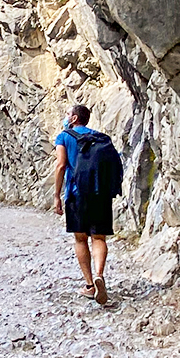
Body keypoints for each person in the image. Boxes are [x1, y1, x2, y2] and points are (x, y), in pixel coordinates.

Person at [54, 102, 111, 305]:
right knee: (99, 237)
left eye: (67, 113)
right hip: (100, 194)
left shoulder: (64, 137)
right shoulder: (100, 138)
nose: (66, 116)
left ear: (74, 118)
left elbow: (61, 165)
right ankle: (100, 274)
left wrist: (56, 196)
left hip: (76, 194)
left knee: (80, 239)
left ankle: (89, 285)